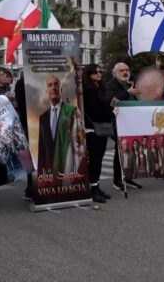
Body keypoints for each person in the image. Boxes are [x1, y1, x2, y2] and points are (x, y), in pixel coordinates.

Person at [37, 75, 85, 180]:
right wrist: (41, 174)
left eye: (56, 85)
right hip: (50, 172)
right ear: (46, 91)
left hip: (68, 168)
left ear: (61, 90)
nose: (53, 88)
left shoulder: (72, 111)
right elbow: (42, 149)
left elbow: (79, 143)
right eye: (50, 85)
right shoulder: (43, 117)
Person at [106, 62, 143, 190]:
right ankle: (117, 180)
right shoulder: (111, 85)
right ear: (115, 73)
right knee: (120, 152)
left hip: (133, 124)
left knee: (132, 151)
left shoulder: (131, 85)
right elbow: (111, 101)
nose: (125, 72)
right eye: (121, 70)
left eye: (127, 70)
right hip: (118, 124)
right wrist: (127, 92)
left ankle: (128, 178)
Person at [81, 64, 114, 203]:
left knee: (99, 158)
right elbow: (94, 109)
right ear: (88, 74)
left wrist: (111, 106)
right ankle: (91, 188)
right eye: (95, 72)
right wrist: (111, 112)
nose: (99, 74)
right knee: (94, 159)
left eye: (100, 71)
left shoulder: (100, 88)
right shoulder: (87, 90)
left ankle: (96, 185)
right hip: (91, 127)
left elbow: (104, 105)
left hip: (102, 126)